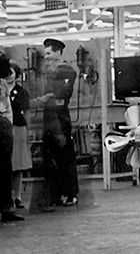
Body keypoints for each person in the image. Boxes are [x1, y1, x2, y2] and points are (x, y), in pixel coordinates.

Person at [38, 38, 79, 208]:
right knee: (50, 156)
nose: (46, 57)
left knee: (64, 156)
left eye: (49, 53)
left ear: (57, 52)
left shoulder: (67, 71)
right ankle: (56, 193)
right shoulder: (50, 72)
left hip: (60, 117)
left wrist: (49, 97)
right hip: (49, 117)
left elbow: (63, 93)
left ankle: (69, 193)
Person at [0, 53, 23, 222]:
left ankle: (6, 207)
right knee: (5, 169)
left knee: (5, 169)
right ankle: (6, 208)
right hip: (4, 125)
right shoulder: (2, 84)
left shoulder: (2, 84)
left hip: (5, 125)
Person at [9, 62, 30, 210]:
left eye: (12, 72)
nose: (9, 75)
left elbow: (26, 111)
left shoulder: (22, 92)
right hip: (4, 129)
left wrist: (28, 130)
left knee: (17, 166)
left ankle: (17, 196)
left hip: (18, 129)